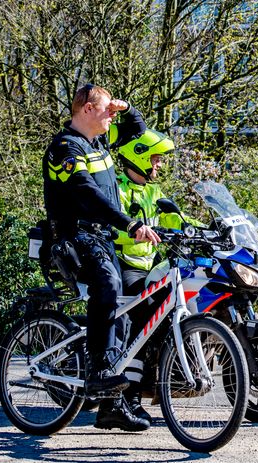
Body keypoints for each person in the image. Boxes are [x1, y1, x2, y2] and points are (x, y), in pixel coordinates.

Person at [42, 84, 161, 432]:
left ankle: (112, 408)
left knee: (124, 311)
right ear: (87, 110)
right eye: (106, 110)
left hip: (101, 239)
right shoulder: (65, 148)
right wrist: (128, 223)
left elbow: (140, 134)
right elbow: (86, 193)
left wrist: (126, 109)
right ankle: (98, 371)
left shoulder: (99, 144)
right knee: (108, 285)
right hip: (75, 238)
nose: (111, 116)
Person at [113, 129, 204, 422]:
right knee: (140, 321)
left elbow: (176, 219)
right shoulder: (118, 189)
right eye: (155, 158)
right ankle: (127, 397)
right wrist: (137, 233)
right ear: (138, 156)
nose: (159, 164)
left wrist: (206, 230)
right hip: (123, 266)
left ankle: (158, 375)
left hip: (148, 269)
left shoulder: (154, 192)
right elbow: (112, 226)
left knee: (166, 314)